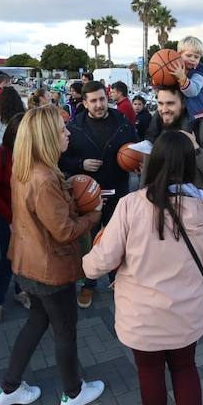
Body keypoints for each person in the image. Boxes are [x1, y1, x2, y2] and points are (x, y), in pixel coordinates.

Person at [83, 131, 203, 405]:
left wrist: (87, 261)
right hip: (187, 312)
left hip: (142, 316)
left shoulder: (131, 206)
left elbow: (100, 263)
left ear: (151, 161)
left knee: (150, 373)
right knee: (186, 368)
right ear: (189, 164)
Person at [0, 106, 104, 405]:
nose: (68, 133)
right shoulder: (44, 178)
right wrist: (93, 214)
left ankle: (8, 387)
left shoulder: (26, 167)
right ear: (46, 137)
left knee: (36, 322)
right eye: (63, 130)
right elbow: (64, 230)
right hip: (49, 268)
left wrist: (70, 196)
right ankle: (73, 392)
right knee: (65, 330)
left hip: (27, 263)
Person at [59, 81, 137, 308]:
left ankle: (117, 280)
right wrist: (81, 163)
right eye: (93, 101)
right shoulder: (74, 128)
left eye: (102, 99)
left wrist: (136, 162)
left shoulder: (123, 123)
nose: (99, 104)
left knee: (118, 239)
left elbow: (136, 149)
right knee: (89, 241)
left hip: (118, 191)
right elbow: (63, 159)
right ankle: (88, 283)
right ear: (84, 103)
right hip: (87, 194)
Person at [0, 113, 30, 329]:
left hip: (30, 216)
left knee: (26, 256)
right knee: (8, 258)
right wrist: (11, 219)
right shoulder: (0, 154)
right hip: (7, 215)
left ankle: (21, 290)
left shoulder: (34, 153)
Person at [142, 86, 203, 197]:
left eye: (170, 103)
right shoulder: (155, 130)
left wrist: (196, 149)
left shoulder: (202, 129)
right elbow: (146, 181)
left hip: (195, 208)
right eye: (160, 103)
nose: (164, 109)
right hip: (158, 205)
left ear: (183, 104)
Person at [169, 36, 203, 119]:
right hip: (178, 110)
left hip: (196, 114)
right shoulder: (174, 67)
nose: (192, 59)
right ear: (179, 54)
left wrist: (183, 78)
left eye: (196, 57)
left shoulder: (199, 73)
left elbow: (193, 91)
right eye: (189, 55)